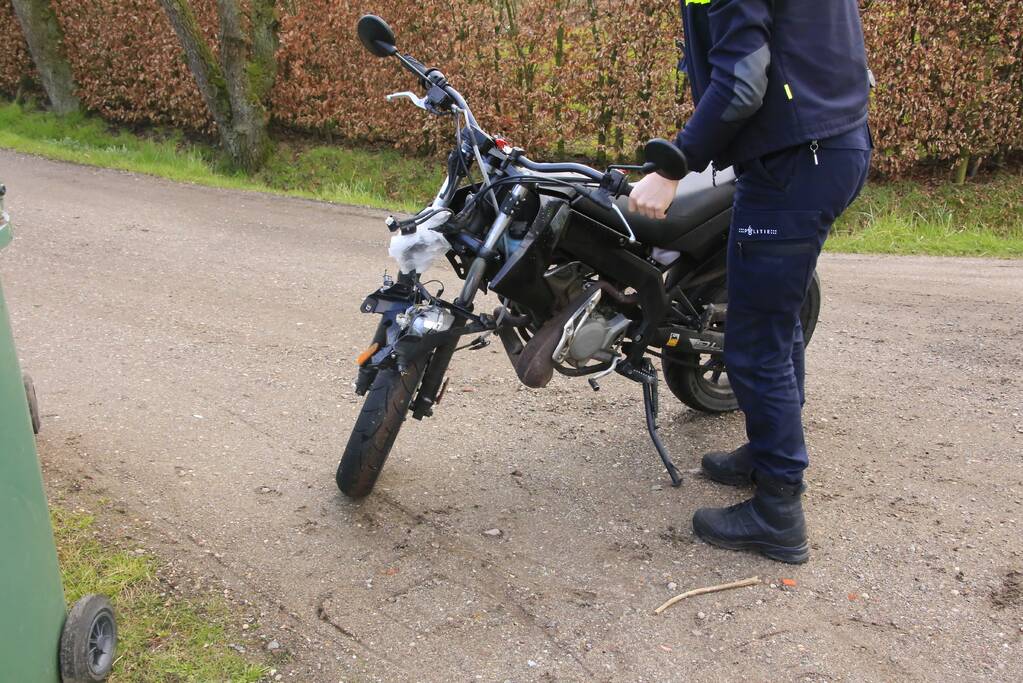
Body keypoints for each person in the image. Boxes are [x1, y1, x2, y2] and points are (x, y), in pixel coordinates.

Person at [629, 0, 873, 564]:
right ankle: (770, 455)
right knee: (774, 317)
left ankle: (778, 512)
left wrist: (674, 166)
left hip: (794, 161)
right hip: (826, 146)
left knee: (756, 340)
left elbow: (742, 81)